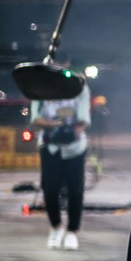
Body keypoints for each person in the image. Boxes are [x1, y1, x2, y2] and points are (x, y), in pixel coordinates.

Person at [31, 78, 92, 249]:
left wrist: (71, 132)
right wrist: (54, 125)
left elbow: (83, 120)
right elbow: (35, 118)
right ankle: (56, 227)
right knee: (50, 190)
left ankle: (72, 231)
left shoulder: (79, 85)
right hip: (50, 146)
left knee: (75, 190)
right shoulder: (40, 85)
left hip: (74, 147)